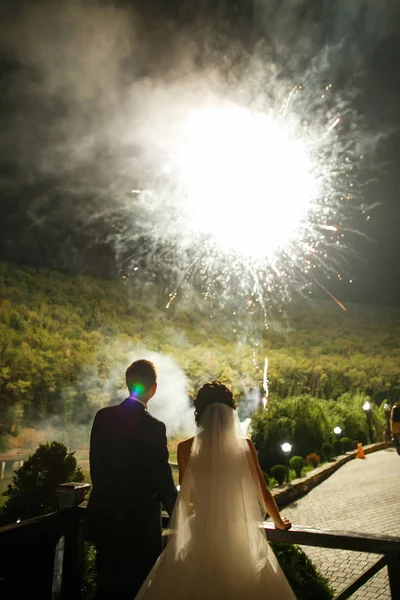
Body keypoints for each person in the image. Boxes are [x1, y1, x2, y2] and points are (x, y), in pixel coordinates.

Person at [135, 381, 296, 599]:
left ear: (199, 412)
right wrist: (278, 522)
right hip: (238, 536)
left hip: (200, 533)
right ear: (231, 413)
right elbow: (262, 492)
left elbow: (186, 497)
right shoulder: (246, 447)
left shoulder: (185, 448)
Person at [86, 359, 178, 600]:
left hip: (105, 520)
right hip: (139, 528)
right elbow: (162, 480)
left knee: (106, 587)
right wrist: (180, 514)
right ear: (153, 388)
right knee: (138, 589)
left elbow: (97, 468)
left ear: (128, 383)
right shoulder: (154, 427)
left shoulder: (102, 417)